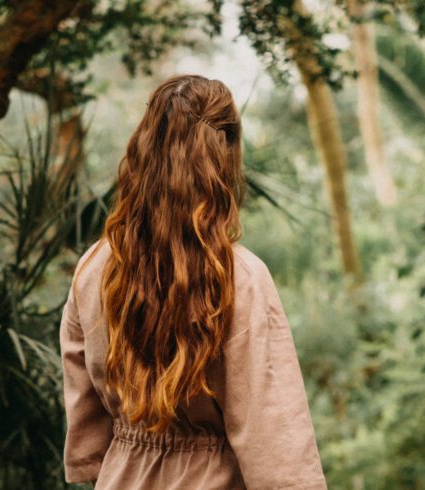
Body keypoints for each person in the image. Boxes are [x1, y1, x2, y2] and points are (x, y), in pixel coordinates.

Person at [59, 74, 327, 489]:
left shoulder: (94, 267)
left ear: (143, 149)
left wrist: (99, 465)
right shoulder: (239, 276)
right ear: (225, 155)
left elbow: (86, 419)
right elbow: (272, 432)